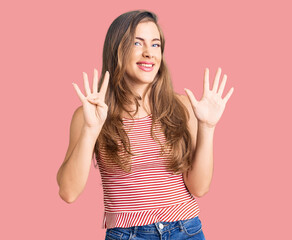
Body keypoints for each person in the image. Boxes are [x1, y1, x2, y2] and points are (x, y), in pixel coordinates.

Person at [56, 10, 233, 240]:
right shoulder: (90, 114)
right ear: (117, 49)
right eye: (137, 43)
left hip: (186, 230)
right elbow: (68, 192)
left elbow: (199, 188)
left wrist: (207, 127)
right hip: (128, 234)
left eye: (155, 44)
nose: (149, 53)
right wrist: (91, 130)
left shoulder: (181, 106)